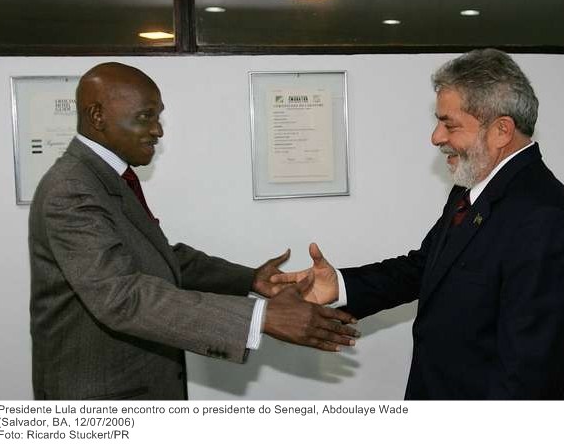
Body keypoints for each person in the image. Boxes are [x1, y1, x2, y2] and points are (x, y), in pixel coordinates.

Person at [28, 62, 359, 400]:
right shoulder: (72, 189)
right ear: (98, 116)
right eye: (145, 116)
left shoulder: (105, 178)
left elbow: (159, 258)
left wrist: (249, 280)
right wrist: (260, 317)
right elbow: (122, 296)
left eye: (158, 116)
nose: (158, 130)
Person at [272, 49, 564, 399]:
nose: (436, 137)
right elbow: (425, 268)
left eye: (449, 125)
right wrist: (342, 286)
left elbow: (528, 378)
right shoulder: (472, 188)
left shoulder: (544, 220)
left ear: (501, 130)